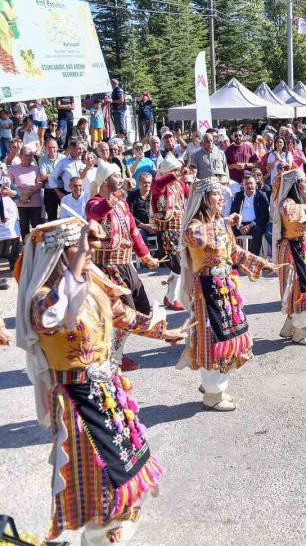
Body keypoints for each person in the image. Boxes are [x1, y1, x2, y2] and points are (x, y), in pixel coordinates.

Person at [15, 217, 184, 546]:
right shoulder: (44, 300)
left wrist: (163, 332)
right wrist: (78, 260)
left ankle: (109, 534)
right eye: (78, 248)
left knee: (123, 465)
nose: (89, 252)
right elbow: (53, 315)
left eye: (87, 247)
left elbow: (125, 315)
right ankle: (99, 537)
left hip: (109, 393)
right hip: (76, 403)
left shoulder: (90, 284)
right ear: (57, 255)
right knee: (98, 480)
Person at [176, 177, 275, 410]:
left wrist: (261, 263)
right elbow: (190, 237)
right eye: (216, 194)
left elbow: (235, 251)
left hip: (225, 287)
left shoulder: (220, 223)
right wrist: (224, 224)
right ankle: (212, 394)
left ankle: (216, 387)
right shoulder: (194, 226)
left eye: (222, 194)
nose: (222, 198)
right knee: (212, 338)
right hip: (207, 289)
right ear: (204, 199)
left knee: (228, 336)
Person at [85, 161, 161, 372]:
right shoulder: (93, 202)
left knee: (142, 310)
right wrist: (120, 191)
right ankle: (113, 357)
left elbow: (134, 231)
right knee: (125, 313)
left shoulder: (122, 204)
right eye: (116, 176)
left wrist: (146, 256)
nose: (120, 178)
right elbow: (97, 214)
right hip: (107, 268)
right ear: (105, 181)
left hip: (126, 264)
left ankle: (113, 352)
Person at [271, 169, 306, 345]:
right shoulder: (287, 203)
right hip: (291, 252)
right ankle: (299, 332)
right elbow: (290, 213)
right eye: (304, 181)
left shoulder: (303, 202)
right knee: (298, 290)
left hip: (303, 251)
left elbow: (305, 230)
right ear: (295, 185)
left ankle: (291, 326)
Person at [150, 153, 190, 310]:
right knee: (178, 265)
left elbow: (190, 193)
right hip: (166, 231)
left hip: (180, 229)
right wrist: (177, 173)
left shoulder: (179, 184)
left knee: (181, 265)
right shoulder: (159, 185)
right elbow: (159, 183)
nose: (179, 173)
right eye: (175, 170)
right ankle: (173, 298)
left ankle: (169, 297)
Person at [229, 173, 270, 256]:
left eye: (251, 183)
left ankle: (252, 258)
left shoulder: (261, 195)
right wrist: (239, 226)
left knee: (257, 231)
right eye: (246, 184)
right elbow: (233, 212)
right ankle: (234, 261)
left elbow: (264, 215)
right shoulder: (238, 196)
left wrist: (251, 225)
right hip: (240, 224)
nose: (249, 185)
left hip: (255, 224)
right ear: (242, 185)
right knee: (228, 231)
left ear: (255, 184)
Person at [8, 144, 43, 236]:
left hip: (35, 203)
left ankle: (37, 248)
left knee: (37, 227)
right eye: (26, 155)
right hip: (20, 203)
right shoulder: (13, 169)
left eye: (31, 155)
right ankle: (25, 247)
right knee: (24, 227)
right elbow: (10, 184)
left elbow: (40, 183)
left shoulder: (36, 169)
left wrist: (28, 194)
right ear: (20, 156)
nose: (29, 157)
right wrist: (23, 193)